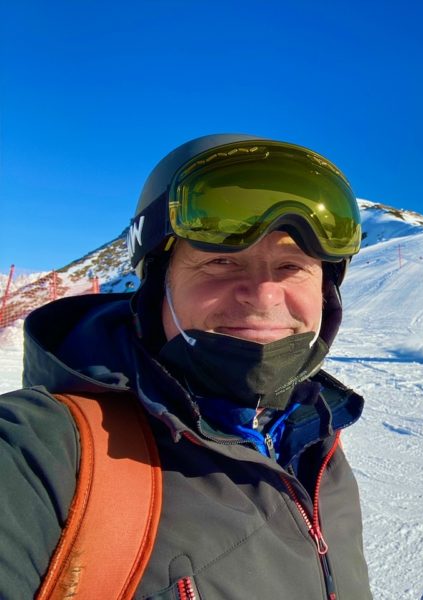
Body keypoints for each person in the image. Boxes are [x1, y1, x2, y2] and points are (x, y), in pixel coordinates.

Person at [0, 135, 372, 598]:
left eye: (291, 266)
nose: (263, 295)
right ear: (158, 284)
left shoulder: (316, 444)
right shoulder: (47, 453)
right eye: (220, 261)